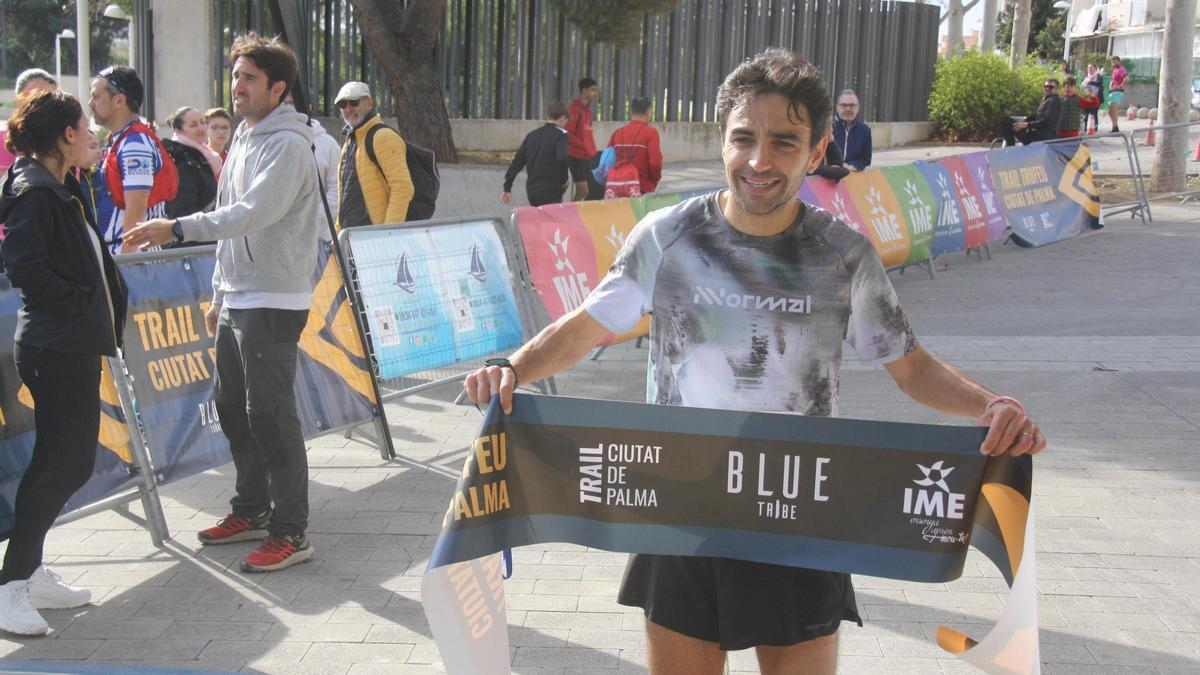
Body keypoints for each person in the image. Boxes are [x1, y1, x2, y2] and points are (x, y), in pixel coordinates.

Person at [463, 48, 1045, 675]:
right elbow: (585, 327)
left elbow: (909, 366)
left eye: (784, 142)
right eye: (744, 138)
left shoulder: (841, 255)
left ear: (818, 151)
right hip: (680, 507)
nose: (759, 160)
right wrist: (512, 367)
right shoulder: (666, 237)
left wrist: (992, 406)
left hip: (800, 511)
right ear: (723, 141)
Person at [122, 33, 321, 573]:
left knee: (271, 415)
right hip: (238, 296)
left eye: (249, 78)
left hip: (275, 298)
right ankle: (252, 510)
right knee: (232, 408)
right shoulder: (248, 138)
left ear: (278, 88)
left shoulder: (286, 144)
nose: (237, 86)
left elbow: (251, 214)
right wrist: (217, 294)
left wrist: (177, 228)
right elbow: (231, 218)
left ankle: (291, 531)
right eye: (235, 76)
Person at [0, 88, 128, 636]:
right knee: (69, 464)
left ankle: (26, 575)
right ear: (65, 136)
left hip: (68, 343)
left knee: (54, 461)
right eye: (84, 125)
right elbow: (24, 266)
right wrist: (78, 303)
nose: (93, 134)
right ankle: (10, 587)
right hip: (57, 346)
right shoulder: (35, 190)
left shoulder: (60, 183)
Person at [88, 66, 174, 253]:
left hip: (132, 259)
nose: (90, 103)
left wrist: (128, 262)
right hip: (125, 255)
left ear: (119, 100)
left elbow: (137, 207)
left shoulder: (135, 143)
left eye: (95, 96)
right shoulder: (124, 139)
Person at [334, 81, 413, 228]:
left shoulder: (383, 137)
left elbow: (402, 187)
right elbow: (344, 196)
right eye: (343, 105)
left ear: (369, 102)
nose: (349, 109)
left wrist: (387, 233)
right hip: (352, 240)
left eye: (354, 102)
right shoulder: (348, 144)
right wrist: (338, 232)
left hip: (376, 242)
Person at [285, 89, 339, 239]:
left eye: (292, 104)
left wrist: (311, 220)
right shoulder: (275, 142)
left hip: (318, 238)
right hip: (282, 240)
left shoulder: (329, 145)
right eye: (285, 104)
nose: (288, 108)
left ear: (308, 108)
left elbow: (335, 191)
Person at [501, 101, 570, 207]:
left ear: (548, 116)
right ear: (562, 118)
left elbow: (517, 161)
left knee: (538, 221)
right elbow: (562, 158)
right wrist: (564, 180)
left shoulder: (532, 135)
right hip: (551, 188)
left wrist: (507, 187)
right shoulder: (562, 134)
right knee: (550, 222)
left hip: (532, 190)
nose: (565, 125)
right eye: (566, 121)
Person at [162, 106, 220, 220]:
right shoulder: (181, 160)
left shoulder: (201, 155)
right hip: (193, 233)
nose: (201, 128)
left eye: (203, 122)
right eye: (193, 125)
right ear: (178, 130)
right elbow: (183, 213)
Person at [604, 96, 663, 196]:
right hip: (642, 189)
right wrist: (654, 180)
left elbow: (606, 162)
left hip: (617, 190)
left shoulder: (617, 133)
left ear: (631, 112)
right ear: (648, 112)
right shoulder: (651, 133)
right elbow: (655, 163)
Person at [1003, 77, 1062, 146]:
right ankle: (1010, 147)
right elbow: (1036, 116)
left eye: (1050, 87)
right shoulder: (1047, 100)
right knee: (1008, 122)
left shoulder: (1054, 100)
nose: (1047, 88)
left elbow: (1046, 121)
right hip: (1035, 134)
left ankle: (1010, 148)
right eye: (1045, 86)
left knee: (1005, 121)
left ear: (1056, 89)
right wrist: (1024, 121)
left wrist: (1026, 125)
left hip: (1041, 137)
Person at [567, 77, 599, 201]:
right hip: (575, 156)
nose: (594, 93)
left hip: (586, 156)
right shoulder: (574, 109)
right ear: (584, 90)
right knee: (583, 190)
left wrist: (591, 149)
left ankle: (575, 213)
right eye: (592, 90)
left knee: (584, 192)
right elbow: (567, 133)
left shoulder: (588, 112)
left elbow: (588, 134)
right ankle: (571, 213)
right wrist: (583, 145)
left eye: (595, 90)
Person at [832, 89, 871, 171]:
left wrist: (852, 166)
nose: (848, 109)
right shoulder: (828, 128)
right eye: (844, 105)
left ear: (858, 107)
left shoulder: (865, 130)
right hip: (829, 175)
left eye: (852, 105)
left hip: (853, 174)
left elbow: (865, 159)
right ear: (837, 107)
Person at [1080, 64, 1103, 134]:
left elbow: (1099, 84)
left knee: (1094, 113)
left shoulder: (1098, 76)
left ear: (1095, 69)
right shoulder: (1085, 77)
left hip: (1095, 98)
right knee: (1085, 114)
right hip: (1086, 98)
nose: (1089, 69)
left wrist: (1090, 82)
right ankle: (1084, 129)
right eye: (1088, 68)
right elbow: (1081, 85)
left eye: (1091, 68)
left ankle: (1094, 129)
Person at [1106, 55, 1127, 133]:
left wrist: (1120, 86)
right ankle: (1115, 126)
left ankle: (1115, 128)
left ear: (1118, 61)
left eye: (1115, 62)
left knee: (1113, 110)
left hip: (1117, 91)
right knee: (1110, 111)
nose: (1114, 63)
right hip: (1112, 91)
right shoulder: (1115, 69)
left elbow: (1126, 78)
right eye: (1112, 62)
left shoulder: (1121, 69)